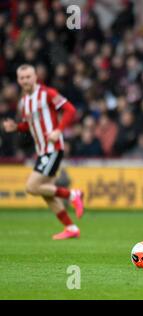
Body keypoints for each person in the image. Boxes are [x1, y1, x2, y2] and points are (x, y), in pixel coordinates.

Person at [2, 64, 84, 240]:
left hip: (53, 148)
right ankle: (71, 228)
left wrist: (58, 131)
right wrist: (16, 127)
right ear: (18, 80)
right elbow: (28, 125)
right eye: (22, 78)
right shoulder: (24, 102)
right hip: (42, 151)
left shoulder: (47, 93)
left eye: (28, 77)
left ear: (35, 77)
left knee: (32, 187)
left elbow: (70, 110)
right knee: (45, 192)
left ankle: (72, 194)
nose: (25, 80)